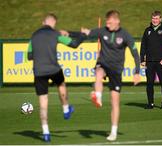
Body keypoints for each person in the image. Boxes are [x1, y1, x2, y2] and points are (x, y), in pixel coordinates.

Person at [70, 10, 140, 141]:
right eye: (106, 22)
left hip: (117, 70)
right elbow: (86, 33)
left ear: (117, 21)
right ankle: (98, 96)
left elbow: (135, 54)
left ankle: (113, 131)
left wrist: (137, 72)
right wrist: (69, 33)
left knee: (115, 102)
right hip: (103, 63)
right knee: (98, 72)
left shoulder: (125, 35)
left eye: (110, 22)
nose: (108, 25)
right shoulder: (102, 31)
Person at [27, 13, 85, 142]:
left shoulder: (34, 36)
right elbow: (74, 44)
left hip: (39, 71)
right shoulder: (55, 34)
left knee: (43, 103)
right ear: (54, 23)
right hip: (53, 68)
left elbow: (29, 56)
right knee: (61, 84)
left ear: (43, 23)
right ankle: (65, 109)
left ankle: (46, 132)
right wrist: (83, 35)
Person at [140, 11, 162, 109]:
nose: (155, 20)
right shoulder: (147, 30)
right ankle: (151, 103)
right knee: (149, 83)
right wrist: (142, 59)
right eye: (153, 18)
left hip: (160, 61)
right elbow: (143, 46)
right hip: (149, 62)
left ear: (160, 19)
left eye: (157, 18)